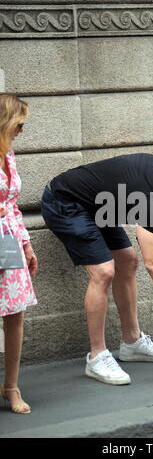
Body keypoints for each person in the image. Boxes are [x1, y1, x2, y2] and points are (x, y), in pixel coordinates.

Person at [41, 153, 153, 386]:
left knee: (128, 260)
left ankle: (132, 342)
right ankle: (97, 357)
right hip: (64, 202)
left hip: (96, 206)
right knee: (103, 272)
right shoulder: (152, 197)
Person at [0, 94, 38, 413]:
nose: (22, 130)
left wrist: (25, 243)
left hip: (8, 240)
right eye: (19, 123)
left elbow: (11, 203)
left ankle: (11, 387)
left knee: (15, 314)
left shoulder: (8, 156)